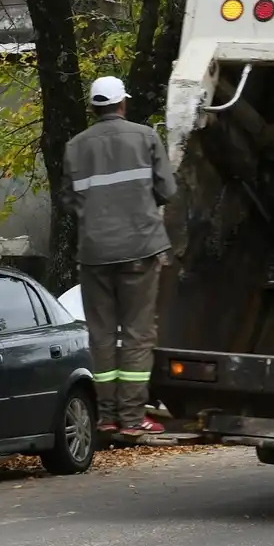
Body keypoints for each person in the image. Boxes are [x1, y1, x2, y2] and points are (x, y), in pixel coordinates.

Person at [62, 76, 177, 442]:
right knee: (137, 334)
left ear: (95, 108)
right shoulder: (145, 137)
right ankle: (132, 417)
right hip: (140, 250)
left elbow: (67, 202)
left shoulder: (74, 146)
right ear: (122, 104)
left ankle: (106, 417)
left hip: (94, 254)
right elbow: (168, 191)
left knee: (101, 335)